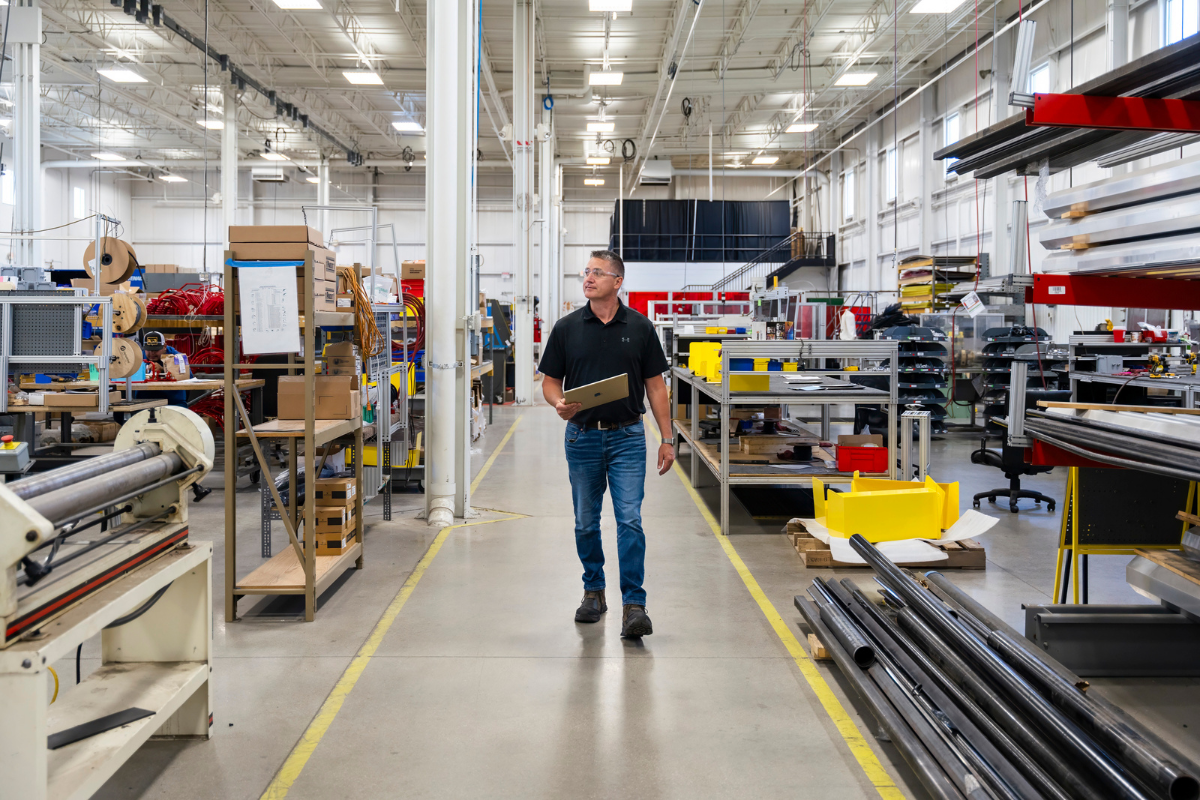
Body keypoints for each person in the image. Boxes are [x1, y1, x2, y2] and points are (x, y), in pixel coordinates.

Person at [539, 250, 675, 638]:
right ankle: (593, 592)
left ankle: (635, 604)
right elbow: (549, 381)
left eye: (597, 272)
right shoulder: (567, 328)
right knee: (586, 520)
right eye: (586, 272)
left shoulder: (641, 327)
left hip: (629, 436)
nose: (588, 278)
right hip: (581, 436)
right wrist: (558, 403)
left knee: (629, 520)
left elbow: (656, 387)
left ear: (618, 281)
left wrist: (667, 439)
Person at [140, 331, 188, 407]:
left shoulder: (177, 356)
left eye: (156, 350)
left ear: (164, 346)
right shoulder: (138, 357)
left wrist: (164, 370)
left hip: (173, 401)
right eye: (148, 350)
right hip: (143, 401)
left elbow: (188, 377)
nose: (152, 353)